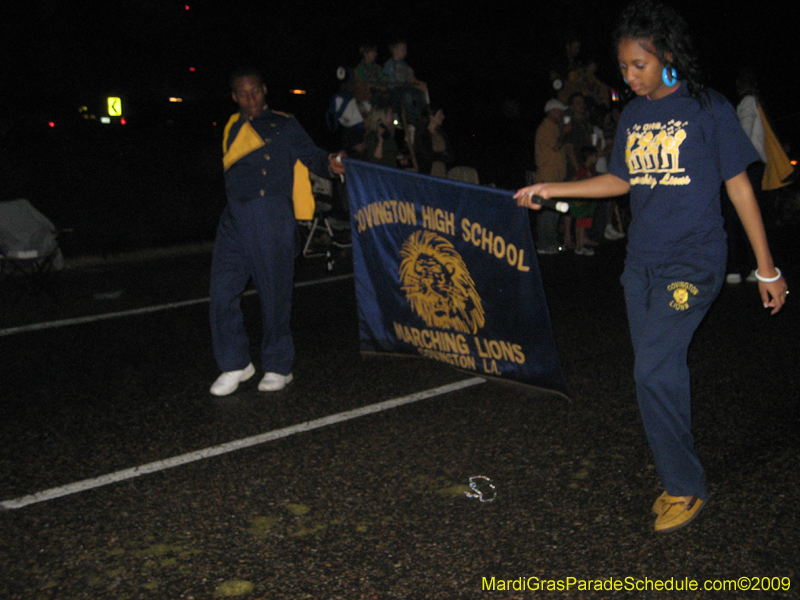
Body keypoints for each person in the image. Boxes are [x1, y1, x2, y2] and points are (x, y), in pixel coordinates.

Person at [515, 0, 788, 534]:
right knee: (657, 371)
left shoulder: (708, 107)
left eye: (638, 65)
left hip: (693, 261)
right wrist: (552, 187)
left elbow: (739, 188)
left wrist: (766, 267)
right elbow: (621, 180)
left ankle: (684, 485)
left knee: (652, 370)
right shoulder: (635, 116)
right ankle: (675, 465)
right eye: (623, 67)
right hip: (641, 264)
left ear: (667, 56)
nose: (630, 77)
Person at [209, 67, 345, 396]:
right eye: (243, 94)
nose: (251, 98)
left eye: (255, 90)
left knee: (274, 295)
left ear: (265, 89)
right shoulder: (231, 125)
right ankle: (235, 363)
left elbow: (313, 156)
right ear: (234, 96)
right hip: (234, 217)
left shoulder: (285, 124)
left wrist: (331, 161)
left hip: (270, 214)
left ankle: (279, 365)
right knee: (222, 293)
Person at [533, 99, 570, 255]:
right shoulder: (545, 128)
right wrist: (565, 132)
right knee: (547, 214)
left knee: (553, 214)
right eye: (559, 111)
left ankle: (551, 243)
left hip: (555, 178)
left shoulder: (554, 128)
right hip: (547, 178)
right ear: (551, 111)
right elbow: (555, 146)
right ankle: (544, 244)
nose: (561, 114)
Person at [414, 106, 453, 177]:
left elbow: (450, 154)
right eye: (440, 114)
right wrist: (442, 155)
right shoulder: (422, 134)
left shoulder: (442, 134)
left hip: (442, 173)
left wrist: (442, 155)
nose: (443, 117)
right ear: (431, 117)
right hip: (428, 174)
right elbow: (426, 155)